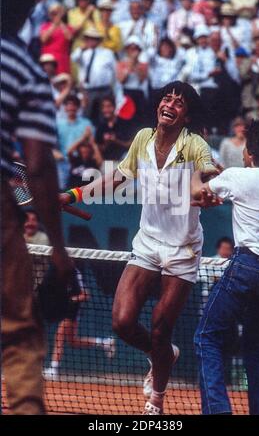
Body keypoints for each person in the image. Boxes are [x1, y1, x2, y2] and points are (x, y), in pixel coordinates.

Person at [60, 81, 217, 415]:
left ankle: (156, 402)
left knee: (161, 327)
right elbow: (115, 178)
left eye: (179, 102)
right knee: (122, 322)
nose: (170, 103)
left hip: (183, 250)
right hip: (147, 243)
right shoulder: (143, 139)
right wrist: (72, 194)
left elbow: (207, 169)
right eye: (167, 98)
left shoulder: (194, 144)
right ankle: (164, 354)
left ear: (185, 115)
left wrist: (206, 185)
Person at [1, 0, 73, 415]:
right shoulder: (27, 71)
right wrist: (60, 252)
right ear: (29, 9)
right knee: (19, 334)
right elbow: (41, 166)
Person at [191, 119, 259, 415]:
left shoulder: (238, 176)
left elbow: (195, 193)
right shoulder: (238, 176)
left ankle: (217, 410)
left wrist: (197, 169)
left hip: (246, 266)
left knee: (206, 336)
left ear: (248, 152)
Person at [43, 269, 116, 379]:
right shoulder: (57, 273)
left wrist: (72, 299)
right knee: (73, 342)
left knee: (59, 337)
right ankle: (105, 342)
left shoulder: (75, 274)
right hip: (65, 311)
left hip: (71, 312)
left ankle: (53, 369)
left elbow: (85, 294)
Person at [71, 26, 116, 121]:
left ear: (98, 40)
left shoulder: (107, 53)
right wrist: (82, 48)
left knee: (103, 118)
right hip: (88, 91)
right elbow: (73, 58)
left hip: (104, 90)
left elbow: (114, 72)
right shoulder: (82, 53)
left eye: (94, 39)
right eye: (88, 38)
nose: (91, 41)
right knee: (87, 116)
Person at [56, 94, 95, 189]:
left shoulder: (86, 123)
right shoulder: (58, 124)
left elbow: (92, 144)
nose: (71, 108)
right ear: (64, 108)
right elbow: (52, 147)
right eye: (68, 105)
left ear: (78, 107)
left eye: (73, 105)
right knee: (61, 191)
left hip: (81, 162)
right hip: (64, 162)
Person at [95, 95, 136, 162]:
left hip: (123, 160)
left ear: (114, 107)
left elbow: (131, 144)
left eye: (108, 106)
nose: (106, 110)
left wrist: (116, 140)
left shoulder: (124, 123)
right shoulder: (100, 127)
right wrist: (106, 143)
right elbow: (98, 148)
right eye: (103, 107)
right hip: (108, 161)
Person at [40, 3, 74, 74]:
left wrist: (60, 23)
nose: (55, 15)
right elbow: (43, 39)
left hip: (62, 61)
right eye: (52, 13)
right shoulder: (45, 26)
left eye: (57, 12)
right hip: (48, 61)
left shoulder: (68, 27)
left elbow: (69, 38)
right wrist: (54, 25)